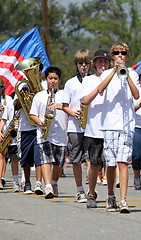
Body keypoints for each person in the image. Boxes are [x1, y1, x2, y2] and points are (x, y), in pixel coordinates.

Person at [96, 42, 139, 213]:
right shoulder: (107, 73)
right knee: (111, 163)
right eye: (116, 53)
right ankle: (110, 196)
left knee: (123, 162)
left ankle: (123, 200)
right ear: (112, 56)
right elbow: (99, 89)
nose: (120, 55)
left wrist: (126, 74)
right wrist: (114, 71)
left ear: (127, 56)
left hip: (127, 125)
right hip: (110, 124)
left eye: (123, 53)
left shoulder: (133, 74)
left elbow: (136, 95)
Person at [29, 66, 67, 199]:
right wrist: (40, 122)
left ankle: (54, 182)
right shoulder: (39, 96)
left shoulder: (63, 94)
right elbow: (32, 114)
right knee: (46, 160)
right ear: (46, 79)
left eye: (55, 79)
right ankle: (48, 186)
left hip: (61, 134)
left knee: (58, 163)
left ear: (59, 80)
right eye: (50, 78)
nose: (53, 81)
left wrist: (60, 106)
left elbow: (70, 110)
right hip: (44, 134)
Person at [80, 49, 111, 208]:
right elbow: (85, 100)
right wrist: (101, 85)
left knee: (111, 163)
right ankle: (91, 193)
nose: (103, 64)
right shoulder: (88, 80)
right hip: (94, 128)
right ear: (94, 64)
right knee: (94, 163)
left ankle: (111, 195)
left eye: (105, 62)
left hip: (112, 127)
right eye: (99, 61)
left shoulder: (115, 78)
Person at [62, 49, 91, 203]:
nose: (84, 66)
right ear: (76, 65)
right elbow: (64, 105)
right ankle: (80, 190)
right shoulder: (70, 83)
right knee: (75, 159)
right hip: (75, 126)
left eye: (86, 63)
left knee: (91, 159)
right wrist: (73, 113)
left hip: (91, 126)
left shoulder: (94, 80)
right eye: (81, 63)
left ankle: (91, 189)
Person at [14, 64, 44, 195]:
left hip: (39, 126)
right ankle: (27, 183)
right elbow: (15, 106)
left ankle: (38, 183)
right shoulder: (23, 86)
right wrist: (21, 97)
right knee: (26, 157)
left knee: (39, 157)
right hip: (26, 127)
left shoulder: (43, 86)